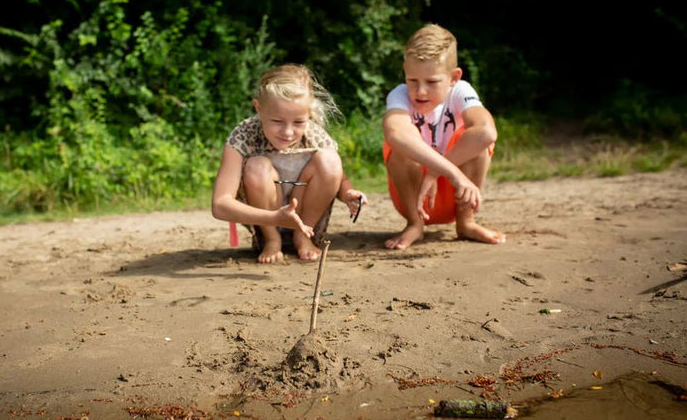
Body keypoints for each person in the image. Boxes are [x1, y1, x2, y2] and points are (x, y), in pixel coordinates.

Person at [212, 64, 366, 263]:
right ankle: (272, 240)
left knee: (329, 159)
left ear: (309, 115)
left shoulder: (315, 134)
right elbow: (220, 205)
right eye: (277, 121)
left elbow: (338, 176)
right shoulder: (243, 135)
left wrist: (348, 194)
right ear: (258, 108)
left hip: (306, 213)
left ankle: (303, 236)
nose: (288, 132)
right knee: (257, 166)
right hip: (265, 218)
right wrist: (275, 218)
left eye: (298, 122)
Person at [382, 23, 506, 250]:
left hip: (457, 194)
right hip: (414, 196)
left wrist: (436, 172)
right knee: (396, 143)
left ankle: (466, 222)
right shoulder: (399, 95)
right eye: (412, 80)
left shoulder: (461, 91)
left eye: (431, 82)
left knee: (475, 138)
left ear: (453, 77)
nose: (420, 91)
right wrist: (451, 172)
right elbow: (396, 133)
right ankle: (414, 224)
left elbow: (486, 132)